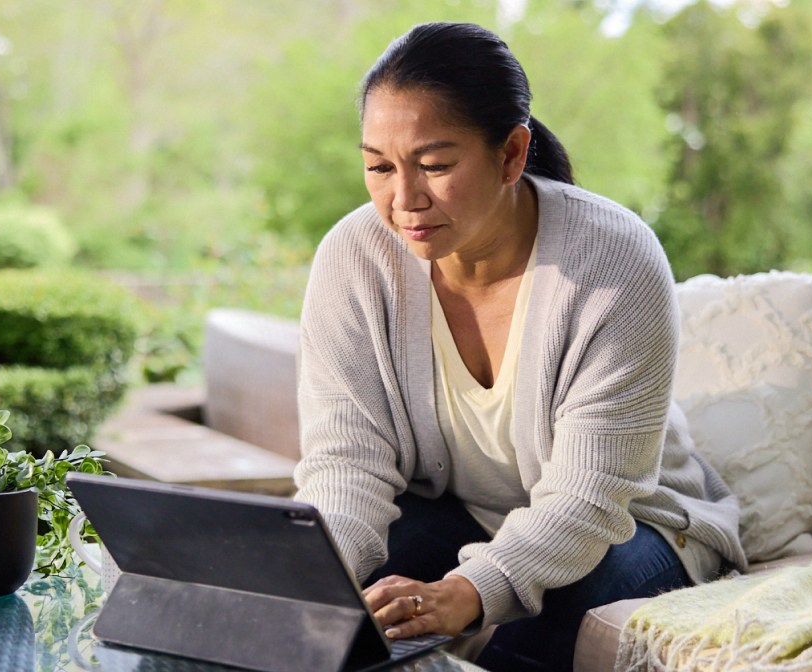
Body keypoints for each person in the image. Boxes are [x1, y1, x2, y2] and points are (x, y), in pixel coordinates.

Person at [293, 22, 746, 672]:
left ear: (511, 153)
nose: (403, 199)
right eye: (378, 167)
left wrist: (467, 592)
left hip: (633, 524)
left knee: (561, 612)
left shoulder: (613, 259)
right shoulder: (353, 257)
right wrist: (313, 581)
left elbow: (589, 497)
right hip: (463, 512)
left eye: (435, 165)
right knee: (328, 605)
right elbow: (346, 462)